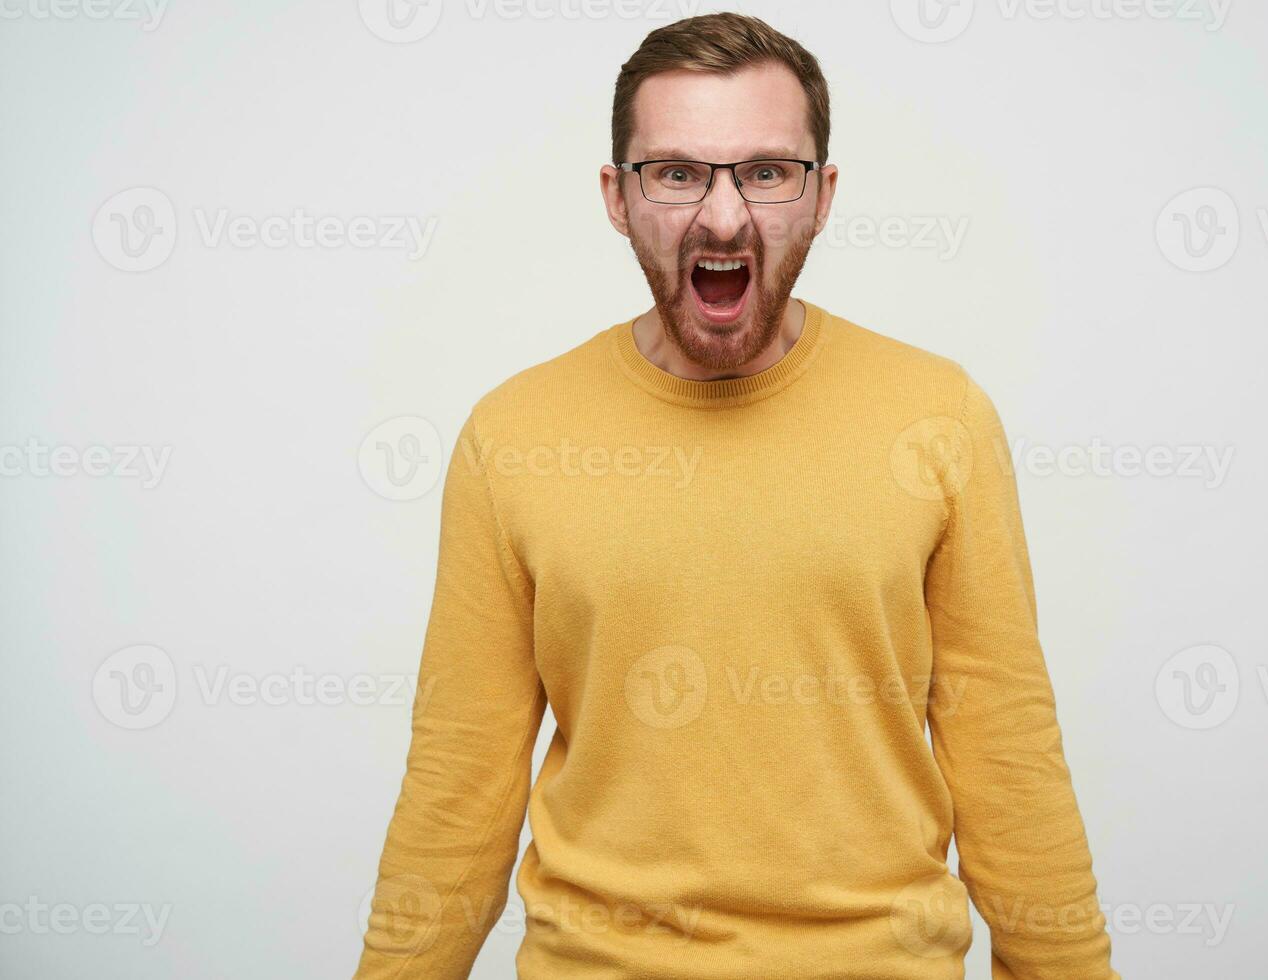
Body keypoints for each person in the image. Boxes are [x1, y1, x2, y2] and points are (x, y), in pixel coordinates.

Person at [353, 12, 1120, 979]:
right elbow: (459, 781)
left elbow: (1008, 758)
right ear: (617, 197)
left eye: (766, 171)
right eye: (676, 172)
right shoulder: (513, 436)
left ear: (823, 194)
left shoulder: (940, 418)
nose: (723, 217)